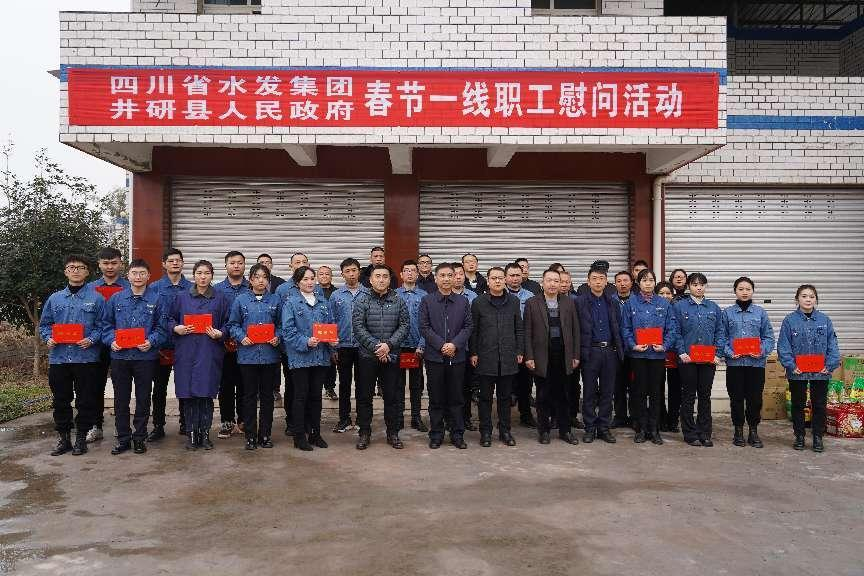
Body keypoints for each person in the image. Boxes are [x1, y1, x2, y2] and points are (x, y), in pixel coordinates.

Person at [39, 255, 104, 456]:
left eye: (80, 267)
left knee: (85, 400)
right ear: (66, 271)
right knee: (60, 400)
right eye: (72, 267)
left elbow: (103, 326)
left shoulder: (97, 299)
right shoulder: (55, 298)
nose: (76, 270)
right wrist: (48, 338)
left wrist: (91, 339)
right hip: (59, 358)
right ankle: (64, 439)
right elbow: (45, 325)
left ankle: (81, 439)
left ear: (87, 272)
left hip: (86, 358)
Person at [100, 259, 166, 455]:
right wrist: (111, 340)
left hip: (145, 358)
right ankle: (123, 438)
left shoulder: (157, 299)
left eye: (142, 273)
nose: (138, 277)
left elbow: (162, 328)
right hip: (120, 357)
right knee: (121, 399)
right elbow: (105, 325)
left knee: (143, 398)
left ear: (148, 276)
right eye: (134, 273)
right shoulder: (116, 299)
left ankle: (139, 437)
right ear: (127, 276)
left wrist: (151, 341)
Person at [168, 260, 231, 451]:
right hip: (186, 352)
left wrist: (221, 333)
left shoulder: (220, 298)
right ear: (193, 275)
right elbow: (168, 319)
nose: (203, 277)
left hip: (209, 352)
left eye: (207, 273)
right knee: (188, 396)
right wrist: (176, 328)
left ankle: (204, 434)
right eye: (199, 273)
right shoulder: (181, 297)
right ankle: (191, 435)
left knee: (205, 395)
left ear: (212, 276)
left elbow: (229, 323)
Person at [352, 264, 410, 450]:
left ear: (390, 280)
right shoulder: (362, 300)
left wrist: (388, 346)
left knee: (392, 397)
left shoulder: (398, 300)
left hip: (391, 356)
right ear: (370, 280)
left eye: (385, 276)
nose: (381, 279)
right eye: (377, 276)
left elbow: (404, 325)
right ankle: (364, 432)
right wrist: (378, 347)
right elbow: (358, 327)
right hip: (367, 356)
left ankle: (393, 433)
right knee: (364, 397)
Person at [777, 284, 840, 453]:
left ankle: (818, 437)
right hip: (797, 372)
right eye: (804, 296)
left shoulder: (824, 320)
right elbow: (783, 345)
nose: (808, 299)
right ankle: (799, 436)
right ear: (797, 299)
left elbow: (833, 344)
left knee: (819, 404)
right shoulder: (789, 320)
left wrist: (830, 365)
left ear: (816, 300)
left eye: (812, 296)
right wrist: (791, 365)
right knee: (798, 404)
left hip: (821, 372)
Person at [226, 263, 282, 451]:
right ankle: (250, 435)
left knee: (267, 397)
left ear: (268, 281)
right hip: (247, 356)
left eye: (264, 277)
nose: (261, 280)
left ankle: (265, 435)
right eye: (257, 277)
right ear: (250, 280)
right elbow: (232, 324)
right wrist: (242, 337)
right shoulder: (241, 300)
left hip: (269, 356)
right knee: (249, 396)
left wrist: (277, 337)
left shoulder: (275, 300)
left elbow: (282, 325)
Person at [524, 268, 581, 445]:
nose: (553, 284)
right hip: (542, 355)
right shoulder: (532, 303)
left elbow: (575, 330)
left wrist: (575, 354)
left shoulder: (568, 302)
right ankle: (544, 431)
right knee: (543, 395)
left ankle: (565, 430)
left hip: (563, 354)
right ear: (542, 282)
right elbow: (527, 332)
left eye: (556, 281)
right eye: (549, 280)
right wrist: (529, 356)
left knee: (564, 394)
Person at [282, 266, 336, 451]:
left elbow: (330, 326)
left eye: (312, 278)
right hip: (300, 358)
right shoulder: (291, 303)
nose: (310, 282)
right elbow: (288, 331)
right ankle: (299, 436)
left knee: (316, 397)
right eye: (305, 279)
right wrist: (306, 341)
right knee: (300, 396)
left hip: (321, 357)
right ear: (298, 282)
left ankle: (315, 433)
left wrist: (333, 341)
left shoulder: (323, 302)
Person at [420, 263, 473, 449]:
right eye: (442, 275)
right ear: (436, 278)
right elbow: (424, 327)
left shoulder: (462, 301)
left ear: (455, 277)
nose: (446, 279)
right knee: (436, 398)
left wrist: (454, 344)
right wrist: (441, 345)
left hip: (457, 357)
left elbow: (468, 326)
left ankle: (457, 434)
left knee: (456, 398)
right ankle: (436, 434)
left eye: (450, 275)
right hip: (434, 357)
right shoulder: (427, 300)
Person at [620, 269, 676, 445]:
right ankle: (641, 429)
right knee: (639, 392)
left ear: (654, 282)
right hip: (638, 356)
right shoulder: (631, 303)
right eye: (644, 280)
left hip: (657, 356)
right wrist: (633, 345)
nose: (648, 283)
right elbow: (625, 328)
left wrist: (665, 345)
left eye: (651, 280)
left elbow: (671, 328)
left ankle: (654, 429)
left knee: (656, 393)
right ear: (638, 283)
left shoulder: (664, 303)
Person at [469, 267, 523, 447]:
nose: (498, 281)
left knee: (505, 398)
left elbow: (519, 328)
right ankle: (485, 432)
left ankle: (505, 431)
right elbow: (474, 330)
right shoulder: (478, 302)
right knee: (484, 398)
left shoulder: (514, 301)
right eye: (494, 278)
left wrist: (519, 351)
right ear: (488, 281)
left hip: (508, 357)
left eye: (500, 278)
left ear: (505, 280)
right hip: (486, 357)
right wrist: (474, 352)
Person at [672, 273, 725, 447]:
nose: (699, 287)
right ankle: (689, 433)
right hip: (687, 359)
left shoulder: (714, 308)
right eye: (695, 284)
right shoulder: (679, 307)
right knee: (688, 395)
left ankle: (705, 432)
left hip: (708, 360)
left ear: (706, 286)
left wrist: (718, 354)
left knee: (705, 396)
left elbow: (720, 332)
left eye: (702, 284)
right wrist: (681, 352)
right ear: (689, 286)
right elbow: (675, 331)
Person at [721, 277, 775, 449]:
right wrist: (730, 352)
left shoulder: (760, 313)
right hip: (735, 364)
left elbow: (768, 337)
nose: (744, 292)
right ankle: (738, 430)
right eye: (741, 289)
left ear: (753, 291)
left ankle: (753, 431)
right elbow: (721, 337)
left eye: (748, 289)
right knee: (736, 399)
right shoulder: (727, 313)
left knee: (755, 399)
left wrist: (761, 351)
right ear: (735, 291)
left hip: (755, 365)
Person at [85, 246, 130, 444]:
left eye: (114, 263)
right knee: (95, 385)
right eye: (106, 263)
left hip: (123, 343)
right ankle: (96, 425)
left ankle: (122, 425)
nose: (110, 267)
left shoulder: (129, 286)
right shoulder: (90, 288)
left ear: (121, 264)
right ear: (99, 265)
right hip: (96, 345)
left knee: (122, 386)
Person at [148, 248, 193, 441]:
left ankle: (186, 423)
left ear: (183, 263)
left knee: (185, 385)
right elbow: (151, 317)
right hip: (162, 346)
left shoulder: (191, 287)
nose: (175, 263)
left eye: (178, 260)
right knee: (159, 388)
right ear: (164, 264)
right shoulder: (154, 288)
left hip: (186, 344)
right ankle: (158, 426)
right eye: (171, 260)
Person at [576, 263, 623, 444]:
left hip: (609, 352)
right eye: (594, 279)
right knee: (589, 392)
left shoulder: (613, 302)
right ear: (588, 282)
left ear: (606, 282)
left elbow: (618, 327)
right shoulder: (579, 302)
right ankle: (589, 427)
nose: (598, 282)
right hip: (590, 351)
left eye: (601, 279)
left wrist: (619, 350)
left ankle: (604, 427)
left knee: (607, 392)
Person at [329, 257, 370, 433]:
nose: (351, 274)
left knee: (363, 384)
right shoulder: (336, 295)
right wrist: (333, 348)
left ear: (359, 272)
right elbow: (331, 321)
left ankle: (362, 419)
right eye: (347, 271)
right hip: (343, 346)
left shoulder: (368, 293)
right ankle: (344, 419)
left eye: (354, 270)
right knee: (344, 384)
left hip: (364, 346)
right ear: (342, 274)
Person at [214, 251, 251, 439]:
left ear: (244, 265)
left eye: (239, 263)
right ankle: (227, 422)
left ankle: (244, 421)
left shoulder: (252, 287)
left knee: (246, 384)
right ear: (225, 266)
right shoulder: (217, 289)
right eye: (232, 263)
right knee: (226, 385)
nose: (236, 266)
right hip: (223, 345)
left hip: (248, 344)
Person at [396, 260, 429, 432]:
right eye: (406, 270)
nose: (410, 273)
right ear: (401, 274)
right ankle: (399, 417)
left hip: (417, 347)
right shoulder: (393, 295)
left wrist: (422, 345)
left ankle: (416, 417)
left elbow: (427, 323)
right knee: (398, 384)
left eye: (413, 270)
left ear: (417, 274)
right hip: (398, 346)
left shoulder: (424, 296)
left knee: (416, 385)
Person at [505, 262, 537, 428]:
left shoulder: (530, 296)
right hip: (505, 344)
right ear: (505, 277)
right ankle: (504, 418)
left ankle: (526, 415)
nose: (515, 278)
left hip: (525, 344)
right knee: (505, 384)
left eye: (518, 275)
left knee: (525, 383)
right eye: (512, 275)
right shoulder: (499, 294)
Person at [451, 262, 479, 430]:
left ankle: (466, 418)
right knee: (450, 386)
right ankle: (449, 419)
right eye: (454, 274)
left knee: (467, 386)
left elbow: (475, 325)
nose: (458, 277)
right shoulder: (442, 296)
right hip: (449, 349)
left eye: (461, 274)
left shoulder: (473, 296)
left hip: (468, 348)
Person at [654, 281, 681, 433]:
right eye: (661, 293)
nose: (665, 296)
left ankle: (673, 420)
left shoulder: (678, 309)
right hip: (657, 353)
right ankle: (660, 419)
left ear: (673, 294)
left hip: (675, 354)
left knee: (675, 389)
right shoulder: (654, 308)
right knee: (658, 388)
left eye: (668, 293)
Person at [559, 270, 583, 430]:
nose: (564, 284)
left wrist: (576, 352)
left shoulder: (576, 300)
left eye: (567, 282)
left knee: (573, 386)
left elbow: (578, 328)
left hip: (572, 350)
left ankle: (572, 416)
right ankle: (556, 416)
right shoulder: (547, 300)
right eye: (561, 281)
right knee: (556, 386)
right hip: (555, 349)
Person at [612, 270, 635, 428]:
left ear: (631, 283)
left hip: (634, 350)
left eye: (625, 280)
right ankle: (619, 416)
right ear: (615, 284)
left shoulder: (638, 301)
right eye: (619, 281)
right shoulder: (609, 300)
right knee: (617, 385)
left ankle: (634, 416)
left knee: (635, 385)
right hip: (615, 350)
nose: (622, 284)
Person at [316, 265, 339, 401]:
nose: (324, 276)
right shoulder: (312, 291)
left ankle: (330, 388)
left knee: (331, 361)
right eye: (321, 274)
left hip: (331, 330)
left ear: (331, 276)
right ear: (317, 277)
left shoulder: (337, 292)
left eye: (327, 274)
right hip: (316, 331)